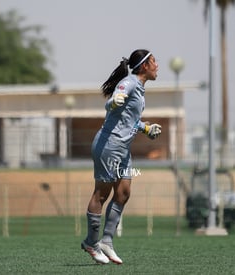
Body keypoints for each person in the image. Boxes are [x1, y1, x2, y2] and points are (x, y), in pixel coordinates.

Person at [81, 49, 162, 264]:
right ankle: (91, 241)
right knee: (101, 194)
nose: (157, 66)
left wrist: (146, 128)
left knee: (124, 192)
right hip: (108, 145)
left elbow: (127, 119)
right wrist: (113, 102)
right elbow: (113, 102)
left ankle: (106, 240)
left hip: (122, 149)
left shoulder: (140, 89)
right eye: (154, 61)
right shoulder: (130, 82)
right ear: (144, 66)